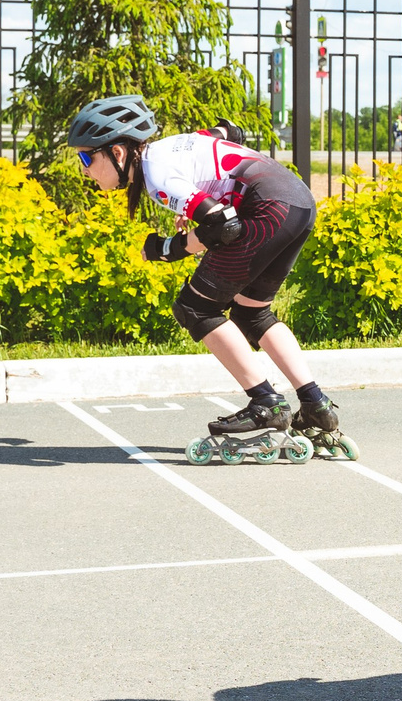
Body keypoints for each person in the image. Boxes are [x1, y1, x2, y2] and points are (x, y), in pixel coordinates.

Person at [66, 95, 348, 456]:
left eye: (87, 157)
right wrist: (204, 196)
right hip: (298, 201)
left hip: (269, 209)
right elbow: (229, 131)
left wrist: (167, 248)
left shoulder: (156, 175)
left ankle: (266, 404)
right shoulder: (167, 148)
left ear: (119, 153)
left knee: (194, 308)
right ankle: (315, 405)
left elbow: (223, 227)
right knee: (251, 312)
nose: (85, 169)